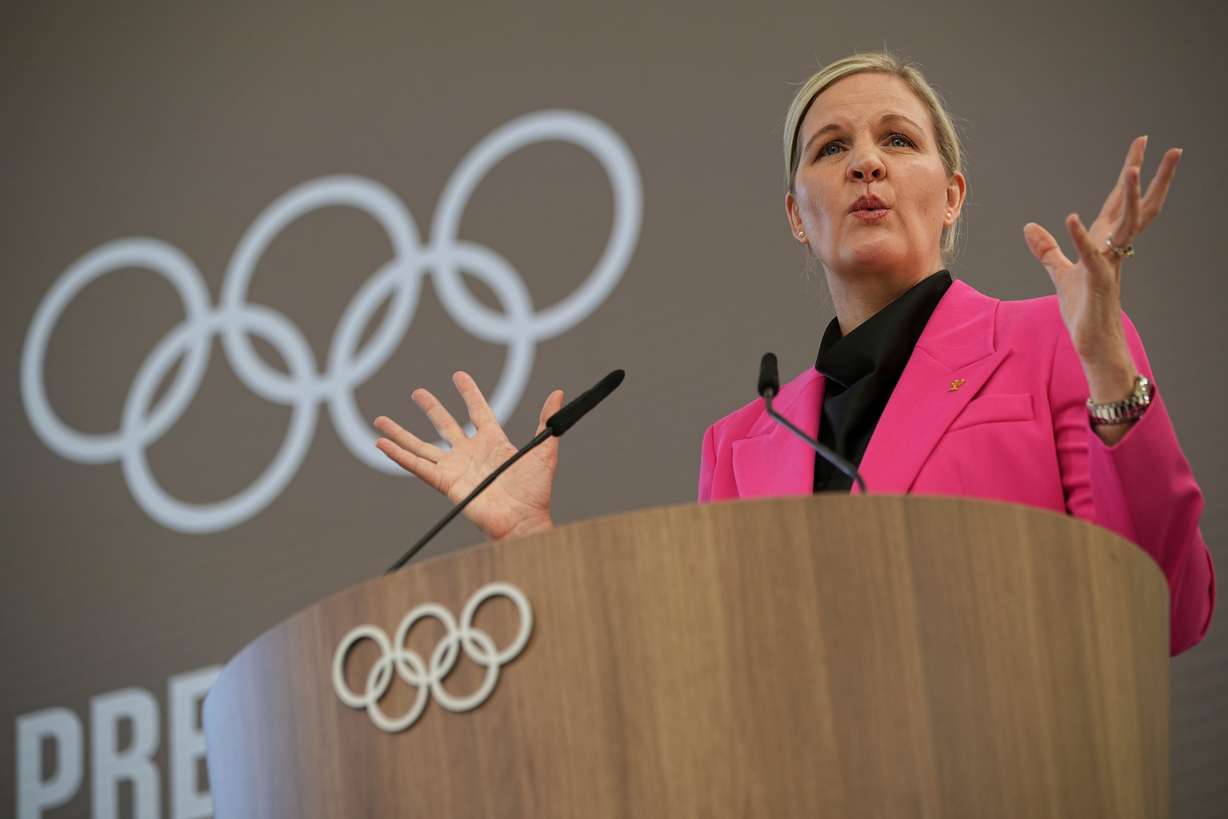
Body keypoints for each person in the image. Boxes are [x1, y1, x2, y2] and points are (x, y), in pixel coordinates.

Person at [372, 52, 1214, 655]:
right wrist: (529, 537)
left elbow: (1165, 614)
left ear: (952, 195)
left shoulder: (1056, 341)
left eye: (898, 139)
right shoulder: (745, 441)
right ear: (793, 214)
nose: (867, 164)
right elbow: (696, 684)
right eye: (831, 148)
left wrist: (1104, 357)